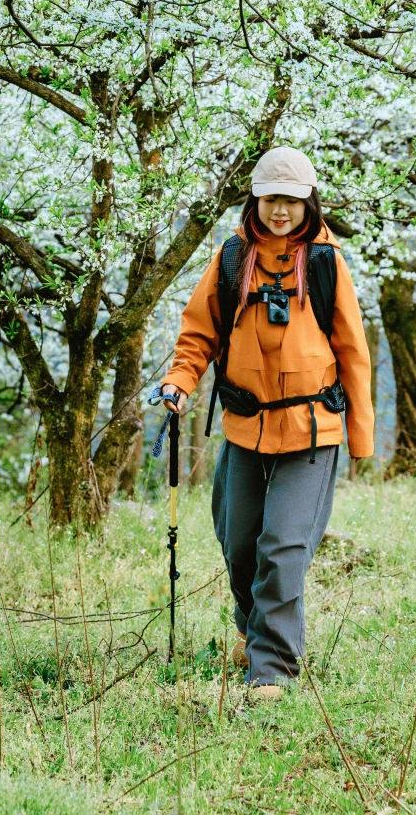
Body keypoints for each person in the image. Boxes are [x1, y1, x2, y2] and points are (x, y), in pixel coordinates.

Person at [160, 146, 374, 700]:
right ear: (256, 199)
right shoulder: (232, 257)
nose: (280, 211)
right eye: (271, 198)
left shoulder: (327, 262)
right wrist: (179, 382)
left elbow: (353, 349)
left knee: (283, 547)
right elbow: (199, 333)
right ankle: (251, 631)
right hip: (244, 426)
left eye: (291, 200)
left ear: (308, 203)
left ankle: (271, 669)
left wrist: (362, 436)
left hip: (312, 428)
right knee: (239, 544)